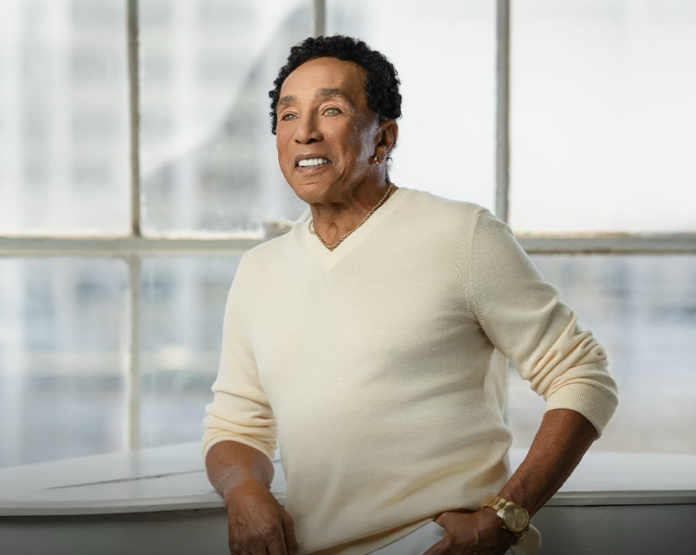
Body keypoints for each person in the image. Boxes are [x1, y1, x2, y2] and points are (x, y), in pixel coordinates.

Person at [202, 35, 618, 555]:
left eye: (330, 110)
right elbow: (236, 425)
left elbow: (582, 375)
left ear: (383, 138)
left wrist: (505, 517)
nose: (304, 132)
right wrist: (241, 487)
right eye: (288, 116)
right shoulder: (258, 272)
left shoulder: (462, 235)